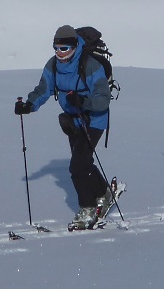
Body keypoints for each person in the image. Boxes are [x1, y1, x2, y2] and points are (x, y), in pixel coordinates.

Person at [14, 25, 115, 230]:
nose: (60, 53)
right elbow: (44, 88)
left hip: (94, 119)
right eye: (56, 48)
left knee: (77, 166)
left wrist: (84, 101)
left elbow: (103, 99)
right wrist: (29, 105)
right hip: (73, 120)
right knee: (83, 162)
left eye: (64, 48)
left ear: (75, 46)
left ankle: (87, 210)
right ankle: (104, 193)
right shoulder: (53, 66)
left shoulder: (90, 65)